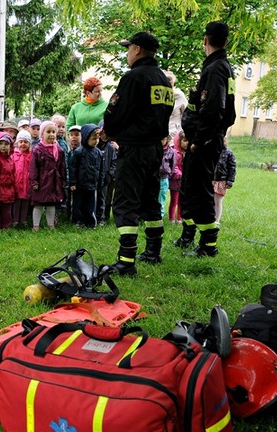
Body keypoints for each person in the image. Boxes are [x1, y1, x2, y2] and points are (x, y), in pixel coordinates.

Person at [102, 32, 173, 276]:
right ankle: (154, 249)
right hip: (154, 148)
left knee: (125, 201)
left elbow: (116, 110)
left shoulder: (133, 78)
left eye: (129, 48)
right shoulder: (163, 80)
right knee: (150, 198)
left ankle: (126, 259)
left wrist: (109, 131)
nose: (127, 52)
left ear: (138, 50)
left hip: (133, 147)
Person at [176, 21, 236, 257]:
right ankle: (187, 236)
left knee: (200, 191)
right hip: (205, 139)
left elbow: (212, 110)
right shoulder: (222, 67)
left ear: (205, 40)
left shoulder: (215, 69)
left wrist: (198, 141)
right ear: (226, 41)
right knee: (189, 189)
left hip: (205, 141)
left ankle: (208, 246)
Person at [29, 121, 66, 231]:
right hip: (42, 181)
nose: (51, 134)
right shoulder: (37, 150)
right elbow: (33, 167)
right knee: (38, 204)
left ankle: (51, 225)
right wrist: (34, 181)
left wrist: (63, 180)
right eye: (48, 132)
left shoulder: (59, 150)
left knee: (51, 204)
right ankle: (36, 226)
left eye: (53, 132)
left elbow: (62, 167)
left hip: (54, 181)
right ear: (42, 134)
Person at [69, 123, 103, 229]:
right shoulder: (79, 152)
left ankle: (91, 222)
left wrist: (100, 181)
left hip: (92, 185)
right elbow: (73, 168)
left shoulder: (98, 153)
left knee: (91, 205)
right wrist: (73, 182)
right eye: (93, 139)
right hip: (80, 184)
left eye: (97, 139)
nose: (96, 141)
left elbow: (100, 169)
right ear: (86, 138)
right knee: (78, 204)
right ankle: (77, 221)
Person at [213, 136, 236, 225]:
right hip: (211, 180)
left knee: (218, 201)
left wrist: (230, 180)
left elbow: (232, 168)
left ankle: (216, 221)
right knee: (209, 201)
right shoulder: (211, 151)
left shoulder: (229, 153)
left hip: (221, 180)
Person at [12, 130, 32, 228]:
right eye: (21, 142)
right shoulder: (13, 154)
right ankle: (15, 221)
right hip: (17, 182)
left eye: (25, 142)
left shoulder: (31, 155)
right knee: (17, 202)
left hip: (27, 183)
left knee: (25, 203)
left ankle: (23, 220)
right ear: (17, 143)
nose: (23, 144)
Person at [164, 70, 187, 138]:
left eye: (169, 80)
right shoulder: (158, 95)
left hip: (174, 136)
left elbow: (186, 115)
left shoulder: (179, 95)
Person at [169, 131, 186, 223]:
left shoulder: (188, 153)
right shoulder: (175, 152)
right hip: (175, 182)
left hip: (184, 182)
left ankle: (179, 218)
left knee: (181, 201)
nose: (187, 143)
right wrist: (180, 175)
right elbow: (174, 166)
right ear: (180, 141)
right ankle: (171, 218)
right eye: (185, 140)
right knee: (174, 201)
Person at [158, 136, 175, 217]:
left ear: (167, 140)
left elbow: (173, 165)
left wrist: (168, 174)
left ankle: (160, 216)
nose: (161, 141)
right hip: (154, 177)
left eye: (163, 139)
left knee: (162, 197)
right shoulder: (155, 149)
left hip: (164, 178)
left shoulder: (171, 151)